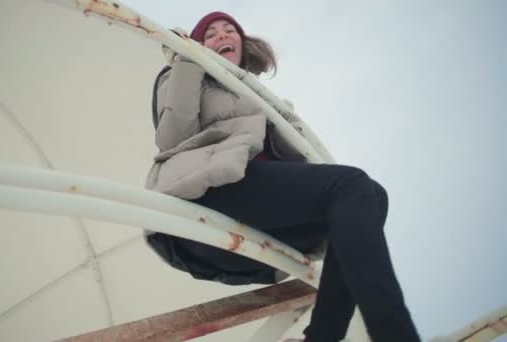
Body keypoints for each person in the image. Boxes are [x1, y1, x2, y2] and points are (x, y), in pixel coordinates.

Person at [144, 11, 421, 342]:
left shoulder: (257, 95)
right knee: (351, 186)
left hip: (255, 209)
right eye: (210, 34)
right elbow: (173, 137)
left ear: (242, 44)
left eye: (229, 30)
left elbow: (295, 157)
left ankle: (321, 336)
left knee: (372, 198)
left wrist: (280, 116)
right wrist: (186, 59)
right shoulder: (180, 74)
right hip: (208, 193)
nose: (222, 36)